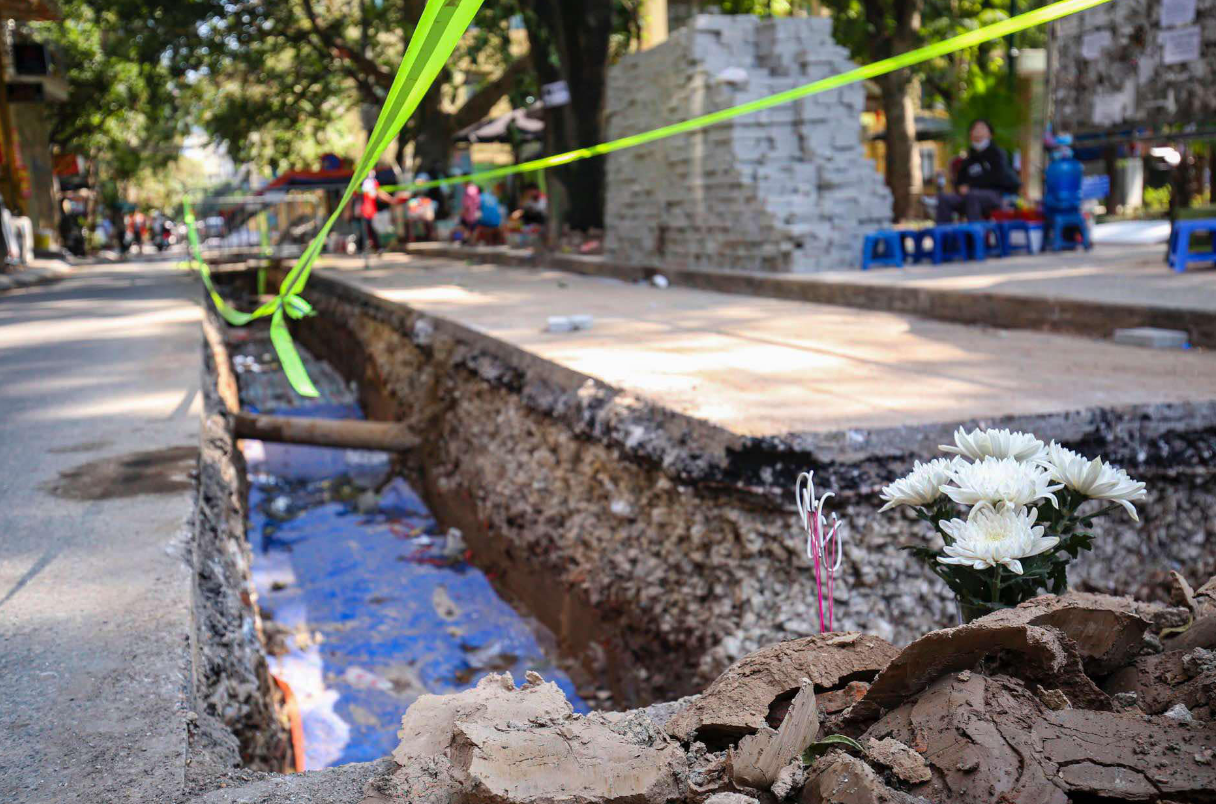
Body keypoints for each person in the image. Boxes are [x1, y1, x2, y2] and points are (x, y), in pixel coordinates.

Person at [935, 119, 1021, 224]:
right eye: (975, 129)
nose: (978, 132)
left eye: (982, 128)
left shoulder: (997, 154)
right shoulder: (968, 159)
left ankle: (974, 237)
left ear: (990, 134)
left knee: (973, 196)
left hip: (994, 195)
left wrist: (970, 187)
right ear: (970, 134)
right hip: (968, 196)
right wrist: (960, 187)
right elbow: (960, 180)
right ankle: (945, 236)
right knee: (944, 199)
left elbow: (998, 177)